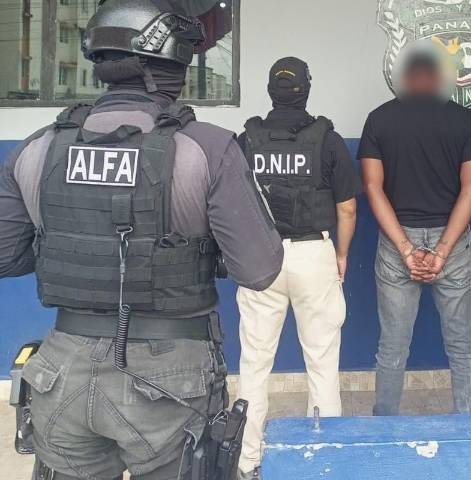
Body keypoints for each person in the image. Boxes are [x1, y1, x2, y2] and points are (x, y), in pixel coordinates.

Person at [0, 1, 283, 478]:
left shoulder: (38, 147)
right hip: (169, 380)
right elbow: (259, 270)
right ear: (177, 61)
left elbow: (5, 256)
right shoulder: (207, 148)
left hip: (60, 369)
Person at [235, 57, 362, 479]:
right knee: (322, 361)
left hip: (261, 257)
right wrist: (341, 254)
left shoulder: (248, 139)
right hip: (313, 254)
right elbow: (347, 208)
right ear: (306, 89)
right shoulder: (327, 139)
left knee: (255, 363)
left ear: (270, 91)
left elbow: (232, 205)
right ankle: (321, 456)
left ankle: (248, 458)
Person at [359, 47, 471, 416]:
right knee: (463, 346)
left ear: (406, 79)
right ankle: (470, 428)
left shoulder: (379, 119)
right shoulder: (464, 120)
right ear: (437, 78)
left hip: (397, 241)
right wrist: (443, 250)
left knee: (392, 346)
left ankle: (385, 426)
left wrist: (405, 248)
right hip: (453, 242)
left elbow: (372, 188)